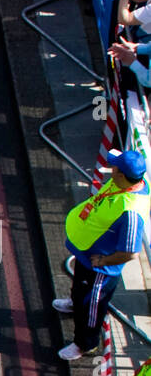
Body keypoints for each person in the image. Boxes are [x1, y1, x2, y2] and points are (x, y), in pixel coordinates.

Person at [55, 147, 149, 359]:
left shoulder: (132, 212)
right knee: (80, 291)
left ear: (122, 175)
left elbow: (130, 252)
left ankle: (84, 344)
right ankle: (74, 303)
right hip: (88, 252)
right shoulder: (126, 184)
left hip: (99, 267)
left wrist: (103, 260)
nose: (110, 169)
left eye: (114, 168)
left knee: (92, 307)